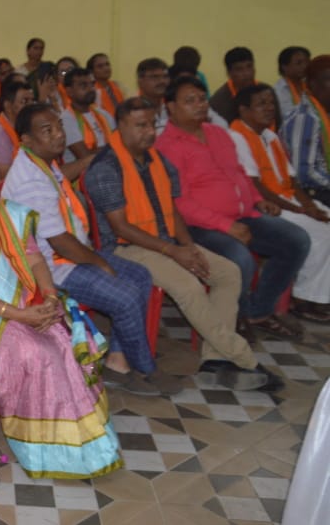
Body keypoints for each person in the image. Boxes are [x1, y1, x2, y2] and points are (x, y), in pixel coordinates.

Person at [0, 145, 123, 479]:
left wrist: (49, 296)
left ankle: (83, 443)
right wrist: (19, 315)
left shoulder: (7, 213)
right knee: (35, 352)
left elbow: (34, 258)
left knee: (63, 340)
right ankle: (48, 450)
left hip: (14, 304)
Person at [85, 97, 276, 390]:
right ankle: (243, 357)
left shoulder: (156, 159)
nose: (149, 132)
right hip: (125, 248)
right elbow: (120, 227)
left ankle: (215, 359)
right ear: (120, 126)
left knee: (228, 272)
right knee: (189, 287)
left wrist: (188, 248)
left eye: (152, 124)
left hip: (166, 243)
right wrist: (174, 251)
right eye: (140, 125)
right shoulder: (105, 167)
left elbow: (171, 210)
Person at [2, 104, 178, 395]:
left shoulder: (41, 162)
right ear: (26, 139)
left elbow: (63, 216)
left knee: (141, 276)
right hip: (50, 267)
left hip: (70, 254)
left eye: (59, 127)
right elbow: (58, 240)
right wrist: (98, 262)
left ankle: (118, 361)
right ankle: (146, 370)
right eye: (48, 131)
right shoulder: (30, 179)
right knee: (125, 297)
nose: (59, 134)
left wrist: (95, 259)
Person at [157, 76, 310, 339]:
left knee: (296, 240)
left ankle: (258, 311)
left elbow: (238, 173)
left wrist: (258, 200)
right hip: (196, 227)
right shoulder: (167, 146)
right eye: (190, 101)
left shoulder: (218, 133)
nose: (200, 105)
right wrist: (226, 226)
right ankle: (232, 317)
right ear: (170, 107)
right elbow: (179, 203)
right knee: (239, 259)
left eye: (202, 99)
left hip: (242, 216)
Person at [230, 84, 330, 321]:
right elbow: (255, 186)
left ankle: (320, 294)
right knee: (320, 232)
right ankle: (304, 298)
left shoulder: (270, 136)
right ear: (244, 110)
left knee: (325, 220)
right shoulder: (236, 136)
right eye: (261, 104)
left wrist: (310, 206)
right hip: (262, 205)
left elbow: (293, 181)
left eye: (271, 103)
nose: (269, 108)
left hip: (287, 200)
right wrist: (301, 210)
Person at [282, 55, 330, 208]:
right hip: (312, 192)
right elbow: (304, 173)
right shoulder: (305, 118)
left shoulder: (325, 113)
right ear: (312, 84)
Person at [210, 47, 280, 124]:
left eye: (249, 66)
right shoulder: (219, 102)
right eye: (239, 69)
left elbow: (278, 123)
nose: (247, 73)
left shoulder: (267, 91)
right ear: (229, 73)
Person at [61, 67, 116, 162]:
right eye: (84, 86)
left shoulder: (103, 114)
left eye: (92, 84)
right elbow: (85, 156)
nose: (91, 89)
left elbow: (120, 142)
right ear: (69, 91)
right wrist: (113, 149)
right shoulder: (66, 119)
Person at [0, 78, 34, 175]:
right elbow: (1, 174)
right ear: (8, 106)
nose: (31, 106)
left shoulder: (27, 129)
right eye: (25, 101)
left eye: (32, 101)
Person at [275, 46, 311, 120]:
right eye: (299, 63)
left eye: (307, 62)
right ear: (284, 67)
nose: (305, 66)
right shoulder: (277, 91)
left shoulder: (312, 86)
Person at [87, 53, 125, 117]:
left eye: (107, 64)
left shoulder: (118, 86)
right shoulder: (91, 91)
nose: (106, 68)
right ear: (92, 71)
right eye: (100, 66)